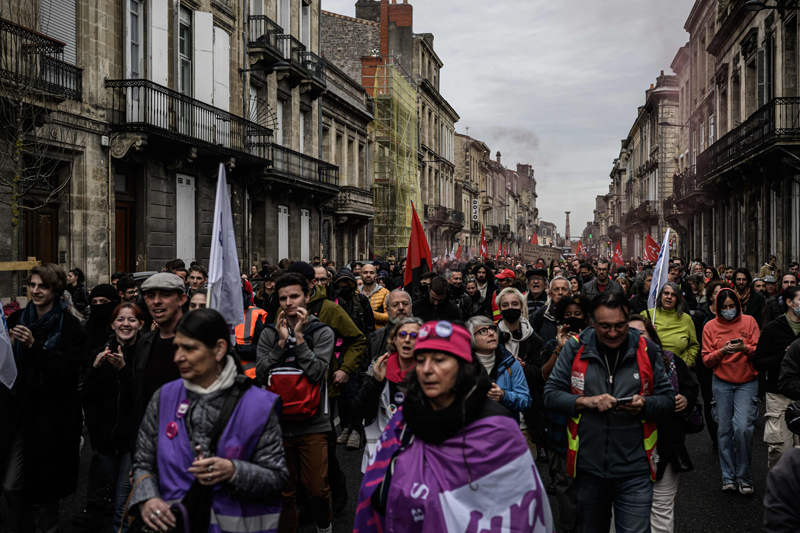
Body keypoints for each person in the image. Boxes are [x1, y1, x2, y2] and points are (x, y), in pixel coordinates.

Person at [353, 320, 553, 533]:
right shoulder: (402, 421)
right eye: (421, 360)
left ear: (463, 367)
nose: (427, 369)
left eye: (439, 360)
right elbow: (374, 495)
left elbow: (520, 513)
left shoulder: (498, 431)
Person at [129, 308, 288, 533]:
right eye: (177, 347)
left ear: (219, 349)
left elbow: (277, 478)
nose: (177, 357)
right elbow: (143, 463)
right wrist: (148, 499)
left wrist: (233, 471)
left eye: (190, 348)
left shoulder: (259, 405)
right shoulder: (163, 397)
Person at [543, 292, 675, 533]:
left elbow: (667, 400)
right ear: (592, 323)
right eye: (605, 326)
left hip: (635, 468)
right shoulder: (575, 348)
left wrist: (644, 405)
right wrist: (586, 402)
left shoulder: (648, 350)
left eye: (619, 326)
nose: (613, 333)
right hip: (588, 469)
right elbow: (550, 394)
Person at [3, 264, 87, 533]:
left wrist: (33, 347)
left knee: (47, 488)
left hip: (53, 416)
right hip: (21, 413)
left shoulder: (71, 325)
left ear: (55, 290)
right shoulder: (17, 320)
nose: (36, 291)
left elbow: (68, 372)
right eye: (33, 285)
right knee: (12, 484)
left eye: (43, 286)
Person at [256, 273, 335, 533]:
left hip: (313, 423)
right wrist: (280, 344)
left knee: (316, 489)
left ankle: (324, 525)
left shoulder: (321, 331)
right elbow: (261, 373)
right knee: (283, 491)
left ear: (307, 296)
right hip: (277, 424)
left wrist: (299, 340)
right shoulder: (269, 332)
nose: (289, 303)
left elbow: (316, 372)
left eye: (294, 296)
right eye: (283, 298)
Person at [628, 314, 698, 532]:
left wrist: (685, 399)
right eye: (628, 334)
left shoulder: (671, 361)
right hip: (627, 452)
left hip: (665, 447)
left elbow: (691, 387)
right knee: (626, 511)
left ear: (652, 337)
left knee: (660, 510)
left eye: (640, 334)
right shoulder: (612, 366)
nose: (634, 339)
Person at [82, 303, 144, 532]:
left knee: (122, 503)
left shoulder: (144, 353)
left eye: (131, 320)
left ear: (140, 325)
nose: (125, 324)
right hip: (106, 441)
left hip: (132, 440)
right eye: (120, 319)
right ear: (112, 324)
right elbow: (87, 396)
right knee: (125, 492)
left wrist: (124, 370)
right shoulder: (101, 352)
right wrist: (95, 369)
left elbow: (140, 397)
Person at [538, 294, 591, 533]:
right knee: (563, 484)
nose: (572, 319)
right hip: (560, 427)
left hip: (587, 429)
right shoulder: (552, 344)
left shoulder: (593, 345)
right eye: (567, 315)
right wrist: (560, 348)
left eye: (577, 315)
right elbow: (545, 377)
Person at [701, 288, 761, 494]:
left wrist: (745, 348)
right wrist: (722, 351)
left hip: (747, 381)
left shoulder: (750, 322)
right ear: (717, 308)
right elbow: (706, 359)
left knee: (742, 428)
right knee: (724, 431)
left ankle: (744, 477)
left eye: (732, 306)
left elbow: (759, 351)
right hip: (722, 382)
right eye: (724, 307)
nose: (728, 311)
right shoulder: (710, 326)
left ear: (738, 305)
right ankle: (728, 476)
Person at [351, 317, 422, 471]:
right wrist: (376, 381)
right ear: (394, 340)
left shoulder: (431, 374)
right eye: (402, 335)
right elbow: (357, 411)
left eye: (414, 336)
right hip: (379, 458)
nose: (407, 339)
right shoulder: (380, 368)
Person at [130, 273, 187, 454]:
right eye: (150, 295)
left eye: (165, 295)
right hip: (153, 446)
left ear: (182, 299)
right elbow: (139, 399)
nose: (156, 301)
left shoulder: (201, 341)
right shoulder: (145, 343)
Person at [754, 286, 800, 468]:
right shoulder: (773, 329)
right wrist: (784, 355)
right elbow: (758, 362)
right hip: (778, 395)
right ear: (790, 303)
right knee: (780, 448)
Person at [466, 315, 532, 414]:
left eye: (492, 329)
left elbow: (525, 400)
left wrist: (504, 396)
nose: (491, 333)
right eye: (483, 331)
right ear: (471, 338)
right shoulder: (462, 365)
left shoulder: (511, 363)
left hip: (503, 426)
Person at [645, 282, 700, 366]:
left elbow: (693, 345)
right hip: (653, 367)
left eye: (673, 295)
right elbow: (636, 342)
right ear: (660, 296)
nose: (669, 297)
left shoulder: (686, 319)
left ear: (677, 299)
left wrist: (688, 363)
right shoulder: (647, 315)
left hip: (679, 370)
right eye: (666, 293)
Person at [495, 287, 544, 365]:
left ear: (521, 307)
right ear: (500, 309)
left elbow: (538, 372)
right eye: (505, 305)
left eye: (515, 304)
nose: (510, 307)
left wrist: (524, 368)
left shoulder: (535, 340)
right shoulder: (492, 337)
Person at [532, 276, 572, 345]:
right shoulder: (539, 315)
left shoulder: (578, 315)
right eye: (556, 289)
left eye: (564, 289)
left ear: (570, 294)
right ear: (550, 295)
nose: (560, 293)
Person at [360, 264, 390, 329]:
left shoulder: (385, 293)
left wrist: (368, 313)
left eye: (371, 273)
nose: (368, 275)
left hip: (378, 333)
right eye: (365, 273)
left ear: (376, 276)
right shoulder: (356, 293)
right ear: (360, 275)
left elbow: (389, 316)